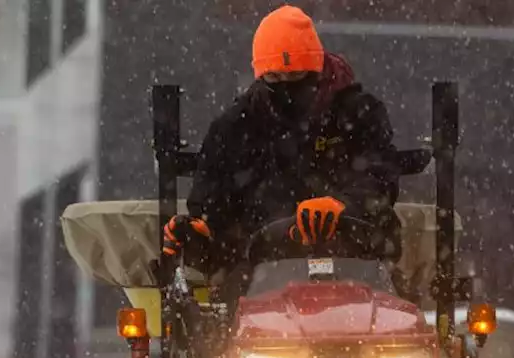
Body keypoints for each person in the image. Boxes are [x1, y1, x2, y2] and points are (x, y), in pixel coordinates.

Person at [161, 4, 402, 275]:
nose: (286, 87)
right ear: (260, 75)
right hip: (258, 272)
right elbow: (211, 208)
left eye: (296, 75)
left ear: (317, 70)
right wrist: (200, 234)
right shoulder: (234, 127)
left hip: (360, 260)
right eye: (274, 77)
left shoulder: (357, 113)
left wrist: (342, 205)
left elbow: (380, 179)